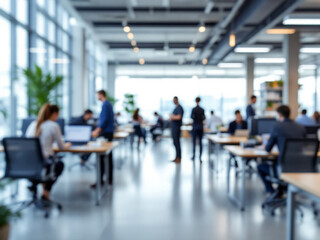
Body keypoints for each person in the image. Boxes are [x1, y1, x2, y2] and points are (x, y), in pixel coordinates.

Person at [26, 104, 71, 201]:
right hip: (45, 162)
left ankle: (34, 185)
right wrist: (67, 145)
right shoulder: (53, 125)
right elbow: (61, 146)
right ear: (54, 114)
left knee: (46, 164)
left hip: (28, 164)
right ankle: (46, 191)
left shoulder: (33, 124)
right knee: (59, 164)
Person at [257, 105, 306, 194]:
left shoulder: (277, 127)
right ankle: (283, 189)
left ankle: (273, 192)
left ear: (279, 115)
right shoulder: (301, 127)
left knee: (260, 167)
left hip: (284, 169)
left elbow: (268, 148)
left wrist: (265, 147)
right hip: (300, 168)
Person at [92, 90, 114, 186]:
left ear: (101, 95)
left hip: (105, 133)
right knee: (107, 156)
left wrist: (97, 130)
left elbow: (104, 120)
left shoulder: (105, 105)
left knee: (102, 156)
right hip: (108, 132)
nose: (96, 97)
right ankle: (107, 179)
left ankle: (101, 180)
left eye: (97, 95)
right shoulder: (108, 104)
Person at [169, 96, 184, 163]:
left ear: (177, 100)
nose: (174, 101)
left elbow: (179, 117)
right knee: (175, 143)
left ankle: (179, 157)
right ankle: (176, 157)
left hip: (176, 128)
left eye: (174, 100)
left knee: (177, 143)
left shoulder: (179, 108)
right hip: (174, 127)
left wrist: (172, 117)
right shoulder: (176, 108)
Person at [191, 97, 206, 162]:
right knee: (200, 142)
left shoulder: (193, 109)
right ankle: (200, 157)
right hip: (200, 127)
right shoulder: (202, 109)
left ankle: (194, 156)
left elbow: (191, 117)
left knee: (194, 142)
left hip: (195, 127)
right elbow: (204, 118)